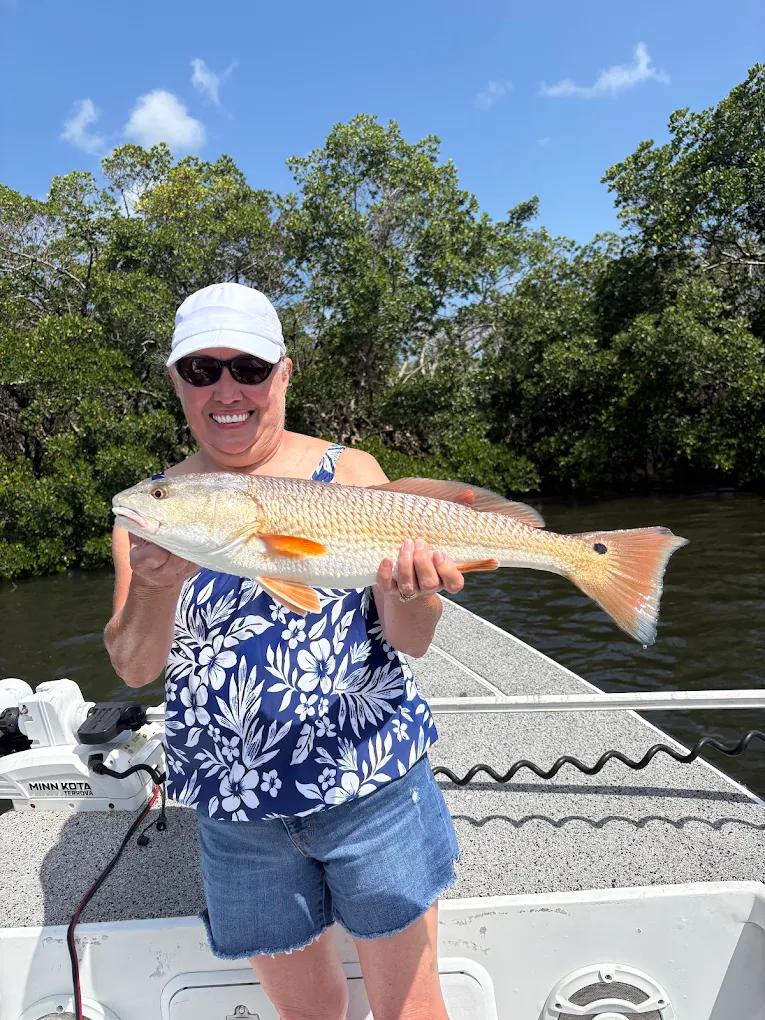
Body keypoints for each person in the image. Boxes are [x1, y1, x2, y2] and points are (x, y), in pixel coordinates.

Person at [104, 282, 464, 1020]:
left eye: (249, 368)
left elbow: (412, 641)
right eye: (202, 371)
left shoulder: (352, 473)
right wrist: (152, 588)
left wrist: (414, 590)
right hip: (236, 816)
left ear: (284, 374)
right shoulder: (152, 510)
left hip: (372, 786)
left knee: (409, 1011)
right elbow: (135, 668)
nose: (226, 389)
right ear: (177, 380)